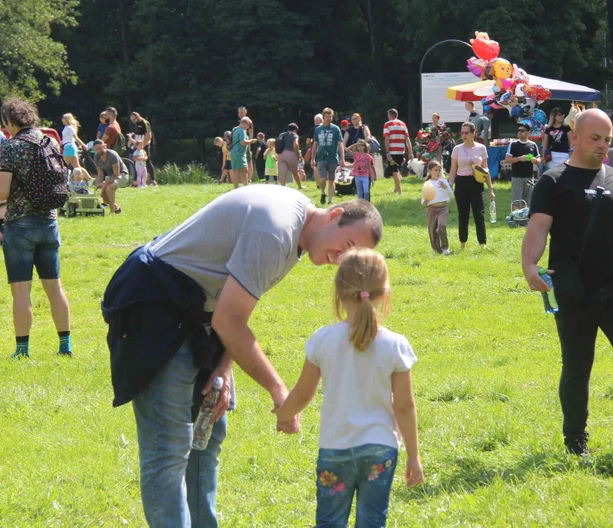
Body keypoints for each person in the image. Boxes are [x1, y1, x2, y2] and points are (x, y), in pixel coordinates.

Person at [100, 186, 383, 526]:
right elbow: (229, 321)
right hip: (154, 305)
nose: (340, 258)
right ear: (335, 214)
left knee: (206, 434)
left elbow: (232, 309)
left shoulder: (298, 233)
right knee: (170, 447)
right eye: (347, 245)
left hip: (197, 314)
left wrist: (223, 366)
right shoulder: (277, 229)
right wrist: (280, 391)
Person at [521, 109, 613, 460]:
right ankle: (575, 440)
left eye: (608, 139)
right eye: (595, 138)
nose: (602, 145)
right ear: (575, 138)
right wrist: (529, 265)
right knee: (578, 364)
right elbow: (538, 227)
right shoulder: (553, 181)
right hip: (574, 288)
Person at [274, 249, 423, 526]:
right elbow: (404, 406)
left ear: (339, 294)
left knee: (329, 521)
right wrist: (413, 456)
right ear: (384, 294)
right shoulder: (396, 345)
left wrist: (284, 415)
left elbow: (303, 394)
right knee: (372, 521)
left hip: (336, 448)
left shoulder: (323, 340)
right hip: (381, 449)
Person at [0, 97, 72, 359]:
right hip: (49, 221)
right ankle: (65, 346)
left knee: (21, 290)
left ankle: (22, 350)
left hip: (20, 224)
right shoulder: (50, 142)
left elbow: (2, 193)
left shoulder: (10, 147)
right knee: (55, 288)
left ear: (9, 121)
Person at [449, 122, 494, 250]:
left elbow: (486, 170)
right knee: (463, 215)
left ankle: (482, 244)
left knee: (479, 214)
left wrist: (491, 189)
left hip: (477, 183)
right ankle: (463, 243)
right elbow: (453, 171)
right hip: (461, 183)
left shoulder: (481, 148)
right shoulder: (457, 149)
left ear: (473, 133)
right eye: (462, 133)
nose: (463, 135)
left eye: (466, 133)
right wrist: (449, 185)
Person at [503, 123, 540, 207]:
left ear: (528, 132)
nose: (519, 132)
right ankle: (516, 219)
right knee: (517, 202)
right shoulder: (513, 144)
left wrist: (535, 160)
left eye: (522, 131)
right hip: (517, 177)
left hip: (529, 177)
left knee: (528, 202)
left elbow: (538, 159)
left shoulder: (533, 145)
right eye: (518, 130)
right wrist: (519, 159)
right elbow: (507, 159)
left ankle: (525, 219)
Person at [313, 108, 346, 205]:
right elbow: (315, 144)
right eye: (327, 116)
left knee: (331, 180)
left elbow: (340, 144)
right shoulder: (318, 129)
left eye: (330, 116)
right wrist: (312, 158)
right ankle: (323, 192)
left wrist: (342, 158)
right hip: (321, 157)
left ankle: (330, 200)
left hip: (332, 158)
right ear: (323, 118)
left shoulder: (336, 129)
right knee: (322, 178)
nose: (329, 118)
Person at [420, 160, 453, 255]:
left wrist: (445, 188)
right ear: (430, 171)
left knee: (441, 226)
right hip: (431, 209)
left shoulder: (443, 182)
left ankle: (445, 247)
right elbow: (423, 200)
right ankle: (437, 250)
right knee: (433, 230)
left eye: (439, 170)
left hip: (442, 208)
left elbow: (451, 195)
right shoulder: (427, 183)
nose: (438, 172)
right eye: (435, 170)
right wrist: (425, 202)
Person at [92, 139, 130, 214]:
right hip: (110, 176)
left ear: (104, 146)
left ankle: (112, 212)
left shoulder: (112, 155)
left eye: (100, 148)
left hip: (122, 175)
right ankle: (116, 208)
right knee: (103, 194)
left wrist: (105, 183)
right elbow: (100, 174)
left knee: (109, 188)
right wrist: (99, 183)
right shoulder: (96, 157)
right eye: (97, 149)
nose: (99, 150)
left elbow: (116, 174)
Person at [382, 108, 413, 196]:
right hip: (401, 151)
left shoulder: (387, 124)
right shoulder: (403, 124)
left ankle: (400, 192)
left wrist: (387, 152)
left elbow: (387, 139)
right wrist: (410, 152)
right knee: (397, 169)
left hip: (392, 151)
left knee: (394, 172)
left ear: (389, 115)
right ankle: (396, 189)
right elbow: (407, 139)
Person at [230, 116, 257, 189]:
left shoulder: (235, 129)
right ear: (246, 123)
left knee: (244, 170)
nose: (249, 127)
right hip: (238, 153)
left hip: (237, 153)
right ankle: (238, 188)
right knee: (238, 170)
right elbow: (243, 142)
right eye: (249, 125)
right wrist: (251, 141)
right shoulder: (242, 130)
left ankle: (244, 186)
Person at [277, 123, 304, 189]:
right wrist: (298, 154)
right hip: (290, 154)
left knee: (283, 172)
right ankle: (300, 186)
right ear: (295, 130)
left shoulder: (281, 134)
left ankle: (282, 187)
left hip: (280, 154)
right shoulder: (294, 135)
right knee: (295, 172)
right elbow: (296, 144)